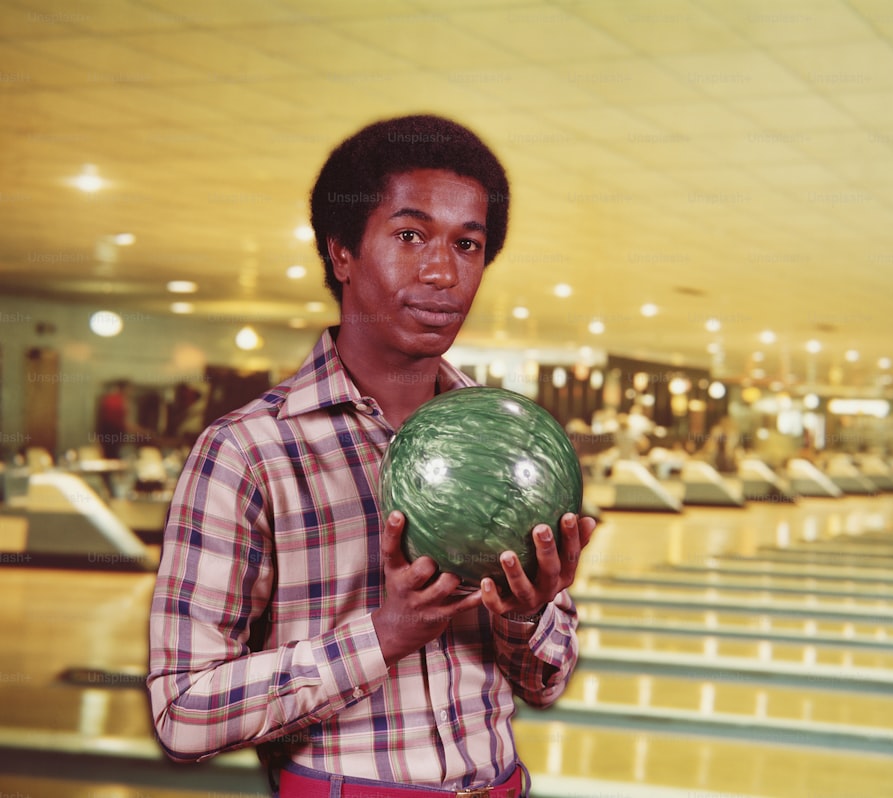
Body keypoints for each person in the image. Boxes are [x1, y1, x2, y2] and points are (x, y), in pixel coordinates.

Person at [147, 114, 598, 797]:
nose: (443, 272)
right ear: (343, 254)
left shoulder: (510, 447)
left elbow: (547, 681)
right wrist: (383, 634)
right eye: (410, 235)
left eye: (468, 244)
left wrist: (528, 613)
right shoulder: (247, 452)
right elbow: (184, 711)